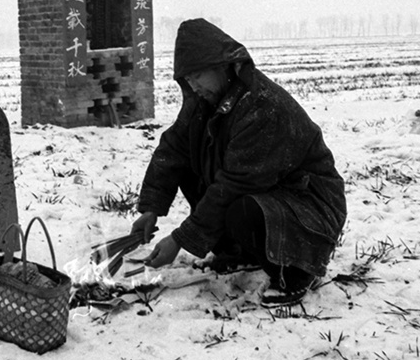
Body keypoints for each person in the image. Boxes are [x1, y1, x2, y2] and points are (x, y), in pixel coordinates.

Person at [130, 18, 346, 307]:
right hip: (270, 196)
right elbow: (172, 150)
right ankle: (239, 253)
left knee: (242, 209)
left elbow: (233, 185)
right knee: (194, 174)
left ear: (223, 65)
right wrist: (151, 209)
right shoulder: (204, 102)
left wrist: (180, 239)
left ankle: (295, 273)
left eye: (198, 76)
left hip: (308, 207)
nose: (194, 87)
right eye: (188, 80)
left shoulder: (261, 106)